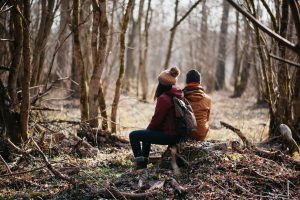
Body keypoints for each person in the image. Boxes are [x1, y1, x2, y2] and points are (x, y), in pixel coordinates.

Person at [129, 67, 184, 169]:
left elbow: (157, 120)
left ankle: (140, 163)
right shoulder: (177, 94)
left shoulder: (164, 98)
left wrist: (149, 129)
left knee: (133, 135)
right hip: (178, 134)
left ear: (161, 84)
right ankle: (143, 161)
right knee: (147, 135)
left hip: (169, 136)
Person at [183, 69, 211, 141]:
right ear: (199, 82)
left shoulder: (181, 97)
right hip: (201, 135)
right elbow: (207, 119)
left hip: (186, 135)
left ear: (187, 81)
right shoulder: (208, 99)